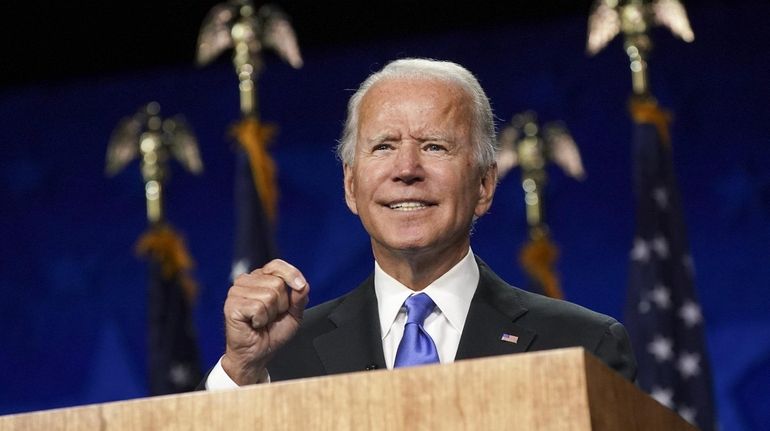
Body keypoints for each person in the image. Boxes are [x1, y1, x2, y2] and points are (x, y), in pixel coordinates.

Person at [204, 58, 637, 389]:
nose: (406, 169)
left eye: (434, 146)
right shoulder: (278, 358)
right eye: (384, 146)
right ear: (351, 186)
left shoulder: (582, 347)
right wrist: (241, 368)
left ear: (484, 185)